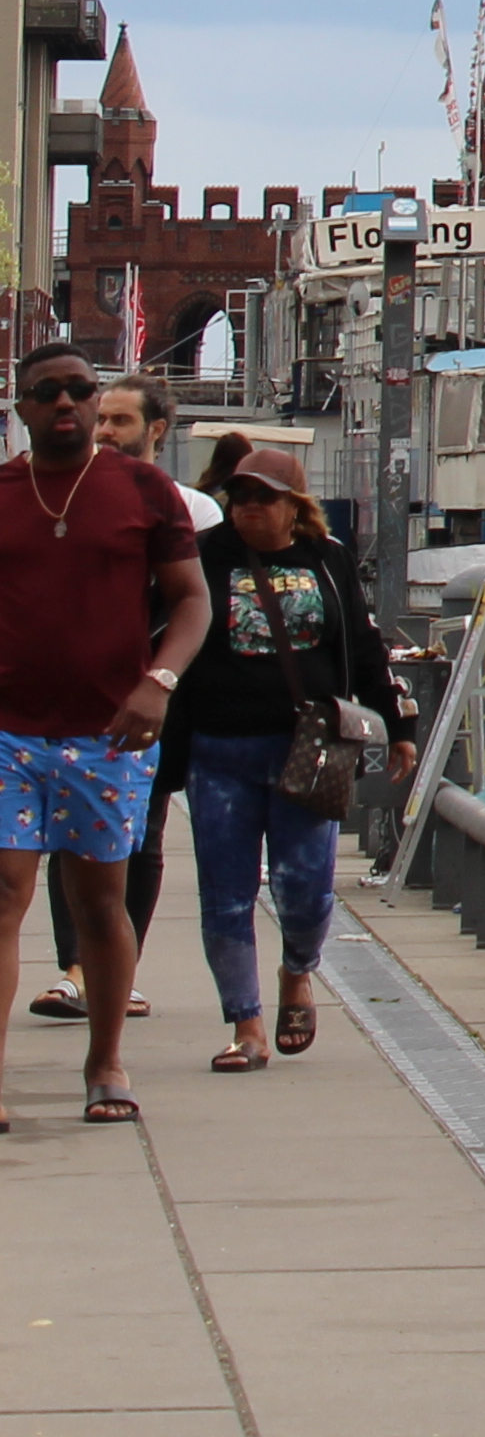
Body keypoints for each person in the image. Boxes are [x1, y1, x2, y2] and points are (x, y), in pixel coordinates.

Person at [0, 342, 211, 1131]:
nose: (65, 402)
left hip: (109, 735)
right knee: (5, 896)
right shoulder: (5, 491)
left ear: (96, 401)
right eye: (46, 391)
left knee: (98, 903)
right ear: (21, 408)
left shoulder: (144, 490)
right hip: (8, 732)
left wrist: (159, 682)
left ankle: (106, 1060)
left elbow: (191, 600)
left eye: (79, 389)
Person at [175, 456, 407, 1073]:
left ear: (295, 506)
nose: (250, 506)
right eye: (240, 495)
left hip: (308, 749)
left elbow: (363, 643)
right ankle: (245, 1025)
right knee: (225, 894)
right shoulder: (203, 556)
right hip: (219, 750)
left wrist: (398, 726)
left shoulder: (326, 560)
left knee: (303, 889)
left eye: (265, 497)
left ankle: (298, 969)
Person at [33, 373, 218, 1026]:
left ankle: (118, 972)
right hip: (70, 699)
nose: (106, 431)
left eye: (120, 420)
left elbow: (195, 602)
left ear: (156, 429)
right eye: (102, 418)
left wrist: (161, 680)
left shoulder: (192, 510)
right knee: (67, 835)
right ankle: (76, 970)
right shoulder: (64, 496)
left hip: (156, 693)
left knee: (142, 836)